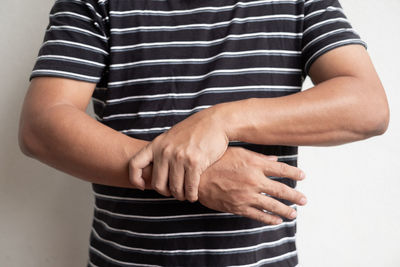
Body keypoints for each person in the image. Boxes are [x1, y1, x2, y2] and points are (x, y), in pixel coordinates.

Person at [18, 0, 389, 266]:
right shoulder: (94, 2)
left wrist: (223, 120)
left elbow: (368, 106)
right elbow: (42, 125)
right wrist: (197, 174)